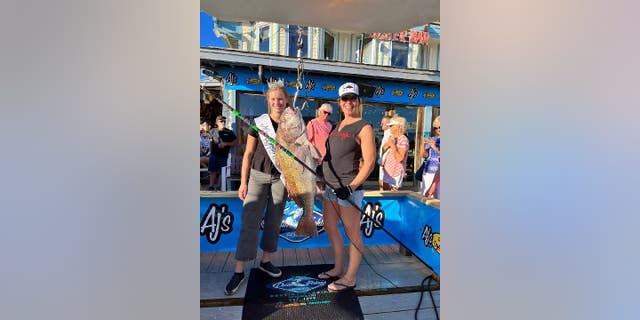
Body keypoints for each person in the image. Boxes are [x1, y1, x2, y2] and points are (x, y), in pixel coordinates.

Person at [224, 81, 290, 296]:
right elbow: (248, 155)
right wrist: (243, 182)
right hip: (258, 177)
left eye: (281, 98)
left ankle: (266, 261)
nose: (277, 102)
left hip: (281, 179)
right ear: (268, 101)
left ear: (286, 100)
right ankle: (239, 270)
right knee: (250, 222)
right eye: (273, 99)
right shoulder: (258, 123)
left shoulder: (292, 124)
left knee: (274, 222)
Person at [318, 82, 376, 293]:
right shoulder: (336, 126)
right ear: (339, 102)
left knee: (353, 234)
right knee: (330, 227)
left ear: (359, 101)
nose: (349, 103)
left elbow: (369, 162)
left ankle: (350, 277)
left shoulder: (364, 126)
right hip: (330, 188)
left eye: (353, 98)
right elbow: (330, 157)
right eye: (345, 99)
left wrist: (350, 188)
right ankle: (338, 268)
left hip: (348, 190)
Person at [306, 103, 334, 191]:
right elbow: (307, 141)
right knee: (313, 182)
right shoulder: (312, 123)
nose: (326, 115)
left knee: (325, 183)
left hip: (327, 159)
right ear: (319, 112)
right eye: (325, 112)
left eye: (329, 114)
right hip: (315, 158)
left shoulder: (330, 126)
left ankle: (324, 201)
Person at [207, 115, 237, 191]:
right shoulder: (212, 131)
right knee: (212, 171)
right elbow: (210, 142)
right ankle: (211, 186)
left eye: (224, 121)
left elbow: (235, 143)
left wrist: (225, 144)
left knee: (222, 172)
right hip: (214, 154)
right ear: (217, 122)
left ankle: (219, 187)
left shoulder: (229, 132)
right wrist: (210, 152)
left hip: (223, 155)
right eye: (221, 121)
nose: (223, 122)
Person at [381, 116, 410, 191]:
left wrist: (392, 145)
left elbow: (400, 158)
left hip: (395, 172)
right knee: (385, 194)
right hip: (388, 171)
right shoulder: (393, 137)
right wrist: (389, 144)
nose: (389, 127)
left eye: (391, 126)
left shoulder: (404, 140)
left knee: (393, 196)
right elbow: (383, 149)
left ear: (398, 126)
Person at [420, 116, 440, 197]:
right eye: (436, 128)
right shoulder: (433, 139)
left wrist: (434, 147)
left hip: (439, 174)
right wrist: (423, 144)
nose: (438, 129)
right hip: (428, 172)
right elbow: (423, 155)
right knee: (426, 197)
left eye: (440, 127)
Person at [377, 116, 393, 190]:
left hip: (386, 163)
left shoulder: (390, 134)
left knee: (385, 184)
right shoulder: (386, 133)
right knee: (381, 182)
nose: (381, 124)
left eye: (382, 123)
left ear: (388, 124)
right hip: (383, 162)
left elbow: (387, 147)